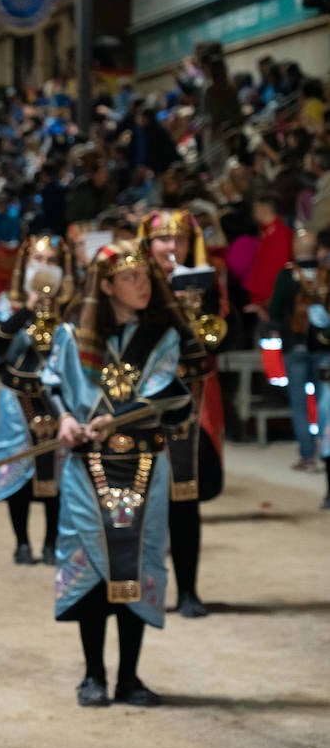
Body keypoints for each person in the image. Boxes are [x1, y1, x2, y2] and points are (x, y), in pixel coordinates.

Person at [43, 239, 196, 707]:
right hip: (87, 466)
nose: (143, 285)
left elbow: (167, 390)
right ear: (107, 285)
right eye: (131, 278)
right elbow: (52, 381)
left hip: (147, 463)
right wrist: (67, 419)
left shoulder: (162, 336)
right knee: (92, 563)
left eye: (146, 277)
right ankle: (93, 676)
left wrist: (121, 417)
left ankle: (129, 677)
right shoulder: (73, 335)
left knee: (140, 563)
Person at [138, 210, 227, 618]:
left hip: (187, 407)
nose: (170, 247)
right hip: (139, 405)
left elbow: (223, 339)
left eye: (177, 239)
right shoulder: (133, 280)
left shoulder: (207, 284)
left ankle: (188, 589)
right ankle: (136, 586)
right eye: (162, 239)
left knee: (184, 501)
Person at [0, 235, 76, 565]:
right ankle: (21, 542)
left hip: (59, 399)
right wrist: (25, 310)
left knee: (60, 470)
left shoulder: (73, 306)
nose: (45, 267)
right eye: (38, 259)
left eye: (52, 261)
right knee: (16, 465)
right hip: (16, 397)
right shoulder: (8, 301)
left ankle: (52, 543)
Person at [269, 229, 330, 474]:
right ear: (316, 250)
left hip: (294, 345)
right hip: (324, 345)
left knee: (299, 403)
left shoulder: (286, 275)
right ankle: (326, 451)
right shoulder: (326, 275)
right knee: (324, 402)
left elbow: (275, 311)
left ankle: (307, 456)